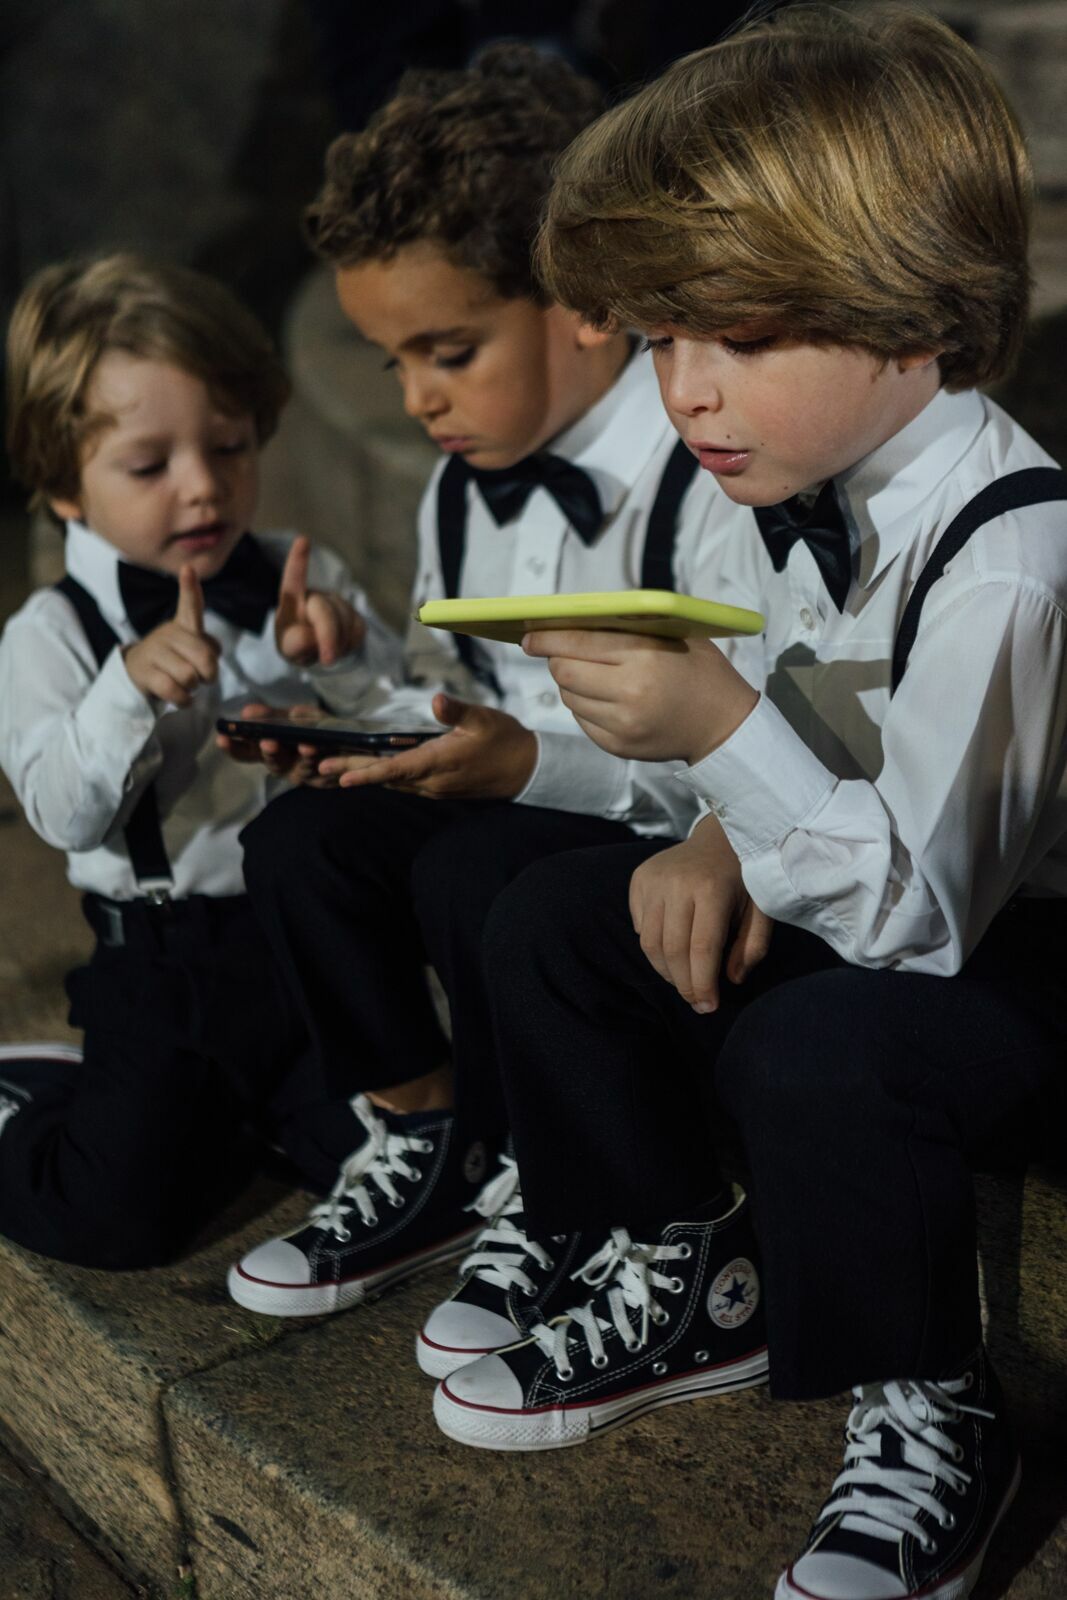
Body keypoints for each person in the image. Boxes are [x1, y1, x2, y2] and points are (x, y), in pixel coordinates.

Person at [425, 10, 1067, 1600]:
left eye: (738, 337)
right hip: (873, 887)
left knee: (818, 1047)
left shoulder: (1009, 558)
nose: (687, 395)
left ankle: (930, 1405)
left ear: (910, 305)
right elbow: (819, 720)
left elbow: (920, 918)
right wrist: (703, 816)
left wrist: (717, 731)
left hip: (1012, 955)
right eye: (660, 341)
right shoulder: (783, 491)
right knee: (548, 917)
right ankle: (681, 1263)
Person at [225, 43, 767, 1338]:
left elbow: (744, 769)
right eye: (393, 366)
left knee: (479, 870)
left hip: (664, 849)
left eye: (448, 351)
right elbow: (453, 688)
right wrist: (354, 695)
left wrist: (526, 765)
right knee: (303, 841)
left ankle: (568, 1187)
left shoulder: (707, 468)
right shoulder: (461, 484)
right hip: (524, 794)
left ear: (582, 305)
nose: (419, 399)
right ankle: (433, 1136)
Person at [0, 252, 402, 1269]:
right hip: (163, 959)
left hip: (309, 946)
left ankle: (246, 1111)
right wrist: (125, 692)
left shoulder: (297, 572)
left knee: (394, 1145)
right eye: (150, 466)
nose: (202, 487)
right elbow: (62, 810)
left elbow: (402, 728)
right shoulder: (50, 634)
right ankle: (27, 1094)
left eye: (228, 446)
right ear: (63, 484)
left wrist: (347, 662)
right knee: (113, 1219)